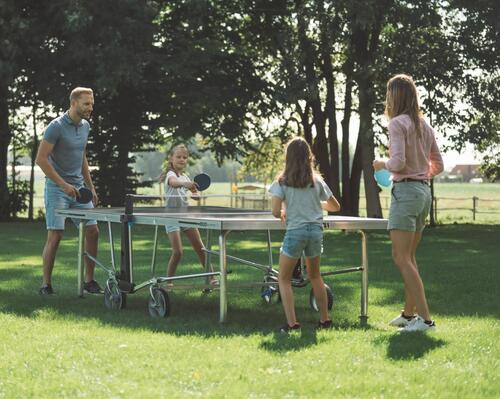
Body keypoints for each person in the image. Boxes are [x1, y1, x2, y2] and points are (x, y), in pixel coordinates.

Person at [373, 74, 444, 332]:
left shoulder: (396, 124)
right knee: (410, 257)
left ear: (395, 97)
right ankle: (408, 314)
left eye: (388, 94)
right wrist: (421, 175)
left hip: (406, 193)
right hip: (423, 193)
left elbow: (398, 163)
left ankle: (426, 321)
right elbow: (439, 164)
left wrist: (382, 163)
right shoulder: (425, 126)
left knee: (400, 257)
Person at [268, 137, 340, 333]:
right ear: (309, 157)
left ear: (288, 158)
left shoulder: (282, 182)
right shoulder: (317, 182)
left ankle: (292, 324)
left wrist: (283, 211)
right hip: (315, 232)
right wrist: (318, 204)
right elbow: (335, 206)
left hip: (295, 232)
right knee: (315, 276)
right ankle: (325, 320)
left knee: (283, 278)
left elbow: (275, 211)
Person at [35, 87, 102, 295]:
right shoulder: (55, 127)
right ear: (74, 103)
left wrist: (90, 186)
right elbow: (41, 160)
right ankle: (46, 284)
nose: (91, 107)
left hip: (79, 188)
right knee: (55, 235)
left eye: (91, 103)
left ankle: (89, 281)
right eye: (86, 104)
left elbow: (81, 155)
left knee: (93, 231)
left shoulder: (86, 126)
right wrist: (63, 184)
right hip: (57, 188)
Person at [160, 144, 217, 287]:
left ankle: (212, 278)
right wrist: (186, 184)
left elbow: (194, 194)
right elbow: (174, 183)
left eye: (184, 157)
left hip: (186, 215)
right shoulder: (170, 175)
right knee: (178, 252)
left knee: (201, 248)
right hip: (171, 217)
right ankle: (169, 281)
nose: (182, 159)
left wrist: (195, 194)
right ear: (171, 158)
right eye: (178, 157)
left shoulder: (185, 176)